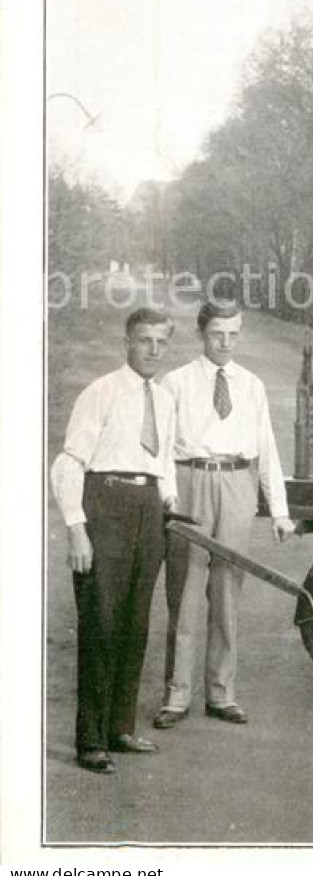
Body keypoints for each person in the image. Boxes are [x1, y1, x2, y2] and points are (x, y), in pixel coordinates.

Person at [154, 300, 296, 729]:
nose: (226, 342)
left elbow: (266, 449)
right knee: (184, 591)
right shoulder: (175, 383)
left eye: (234, 333)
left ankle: (221, 693)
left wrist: (279, 512)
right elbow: (160, 446)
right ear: (202, 333)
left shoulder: (251, 384)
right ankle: (177, 696)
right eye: (218, 333)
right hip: (190, 482)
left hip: (238, 484)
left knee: (227, 593)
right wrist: (167, 493)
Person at [51, 308, 177, 774]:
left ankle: (120, 729)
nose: (153, 350)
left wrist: (169, 503)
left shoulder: (164, 401)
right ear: (127, 341)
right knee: (100, 625)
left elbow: (163, 465)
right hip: (104, 506)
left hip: (148, 512)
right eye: (145, 341)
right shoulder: (99, 393)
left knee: (135, 624)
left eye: (162, 342)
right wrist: (76, 527)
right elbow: (69, 463)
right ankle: (90, 741)